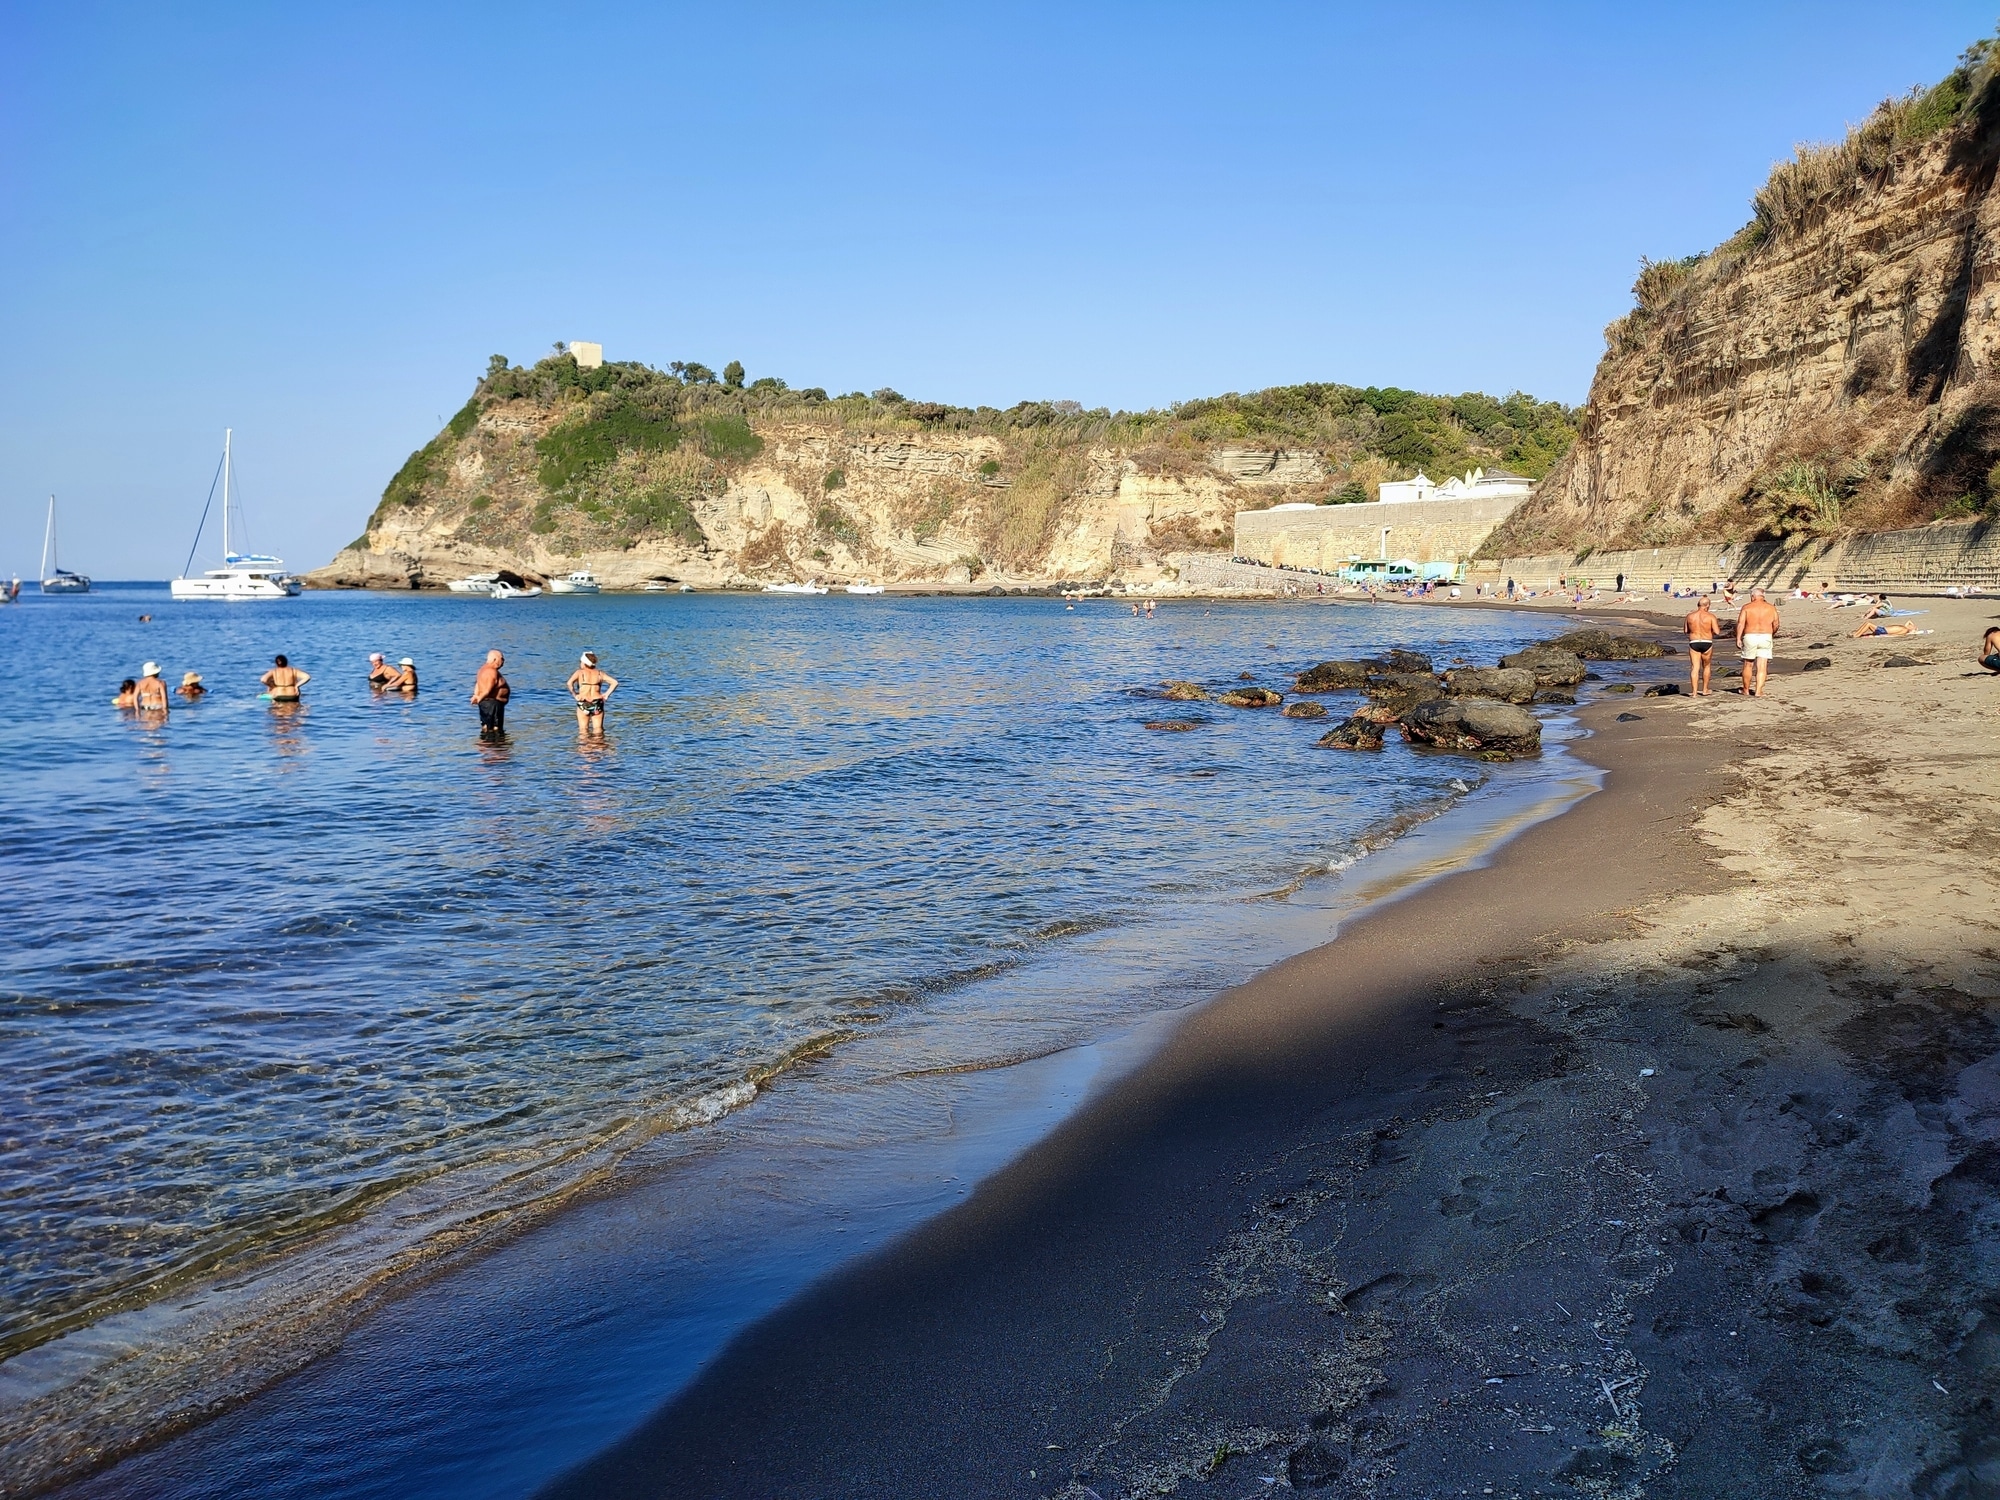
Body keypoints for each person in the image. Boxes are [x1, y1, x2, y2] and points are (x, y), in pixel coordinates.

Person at [1735, 587, 1780, 697]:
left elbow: (1741, 624)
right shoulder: (1771, 608)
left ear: (1752, 596)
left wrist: (1738, 638)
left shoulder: (1746, 607)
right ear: (1763, 596)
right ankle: (1758, 691)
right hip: (1765, 636)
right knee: (1762, 665)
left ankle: (1746, 689)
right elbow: (1776, 624)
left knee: (1748, 664)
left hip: (1750, 635)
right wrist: (1771, 633)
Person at [566, 651, 619, 733]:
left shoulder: (579, 673)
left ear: (583, 663)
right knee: (598, 730)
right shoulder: (600, 674)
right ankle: (598, 745)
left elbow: (569, 683)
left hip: (583, 702)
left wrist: (575, 695)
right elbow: (615, 682)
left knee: (583, 730)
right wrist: (606, 695)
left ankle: (585, 745)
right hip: (597, 703)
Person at [1684, 597, 1721, 695]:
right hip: (1707, 641)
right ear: (1707, 605)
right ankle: (1705, 690)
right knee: (1706, 666)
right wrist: (1708, 631)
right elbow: (1717, 632)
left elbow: (1686, 631)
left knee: (1695, 668)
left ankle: (1694, 692)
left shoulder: (1690, 616)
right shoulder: (1711, 616)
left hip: (1694, 642)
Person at [471, 649, 509, 738]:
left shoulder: (482, 669)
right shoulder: (491, 671)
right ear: (495, 659)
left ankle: (488, 747)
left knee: (487, 728)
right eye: (502, 659)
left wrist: (476, 695)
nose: (503, 661)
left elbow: (478, 684)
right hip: (492, 704)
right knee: (495, 729)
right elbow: (488, 689)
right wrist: (479, 698)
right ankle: (495, 749)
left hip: (487, 704)